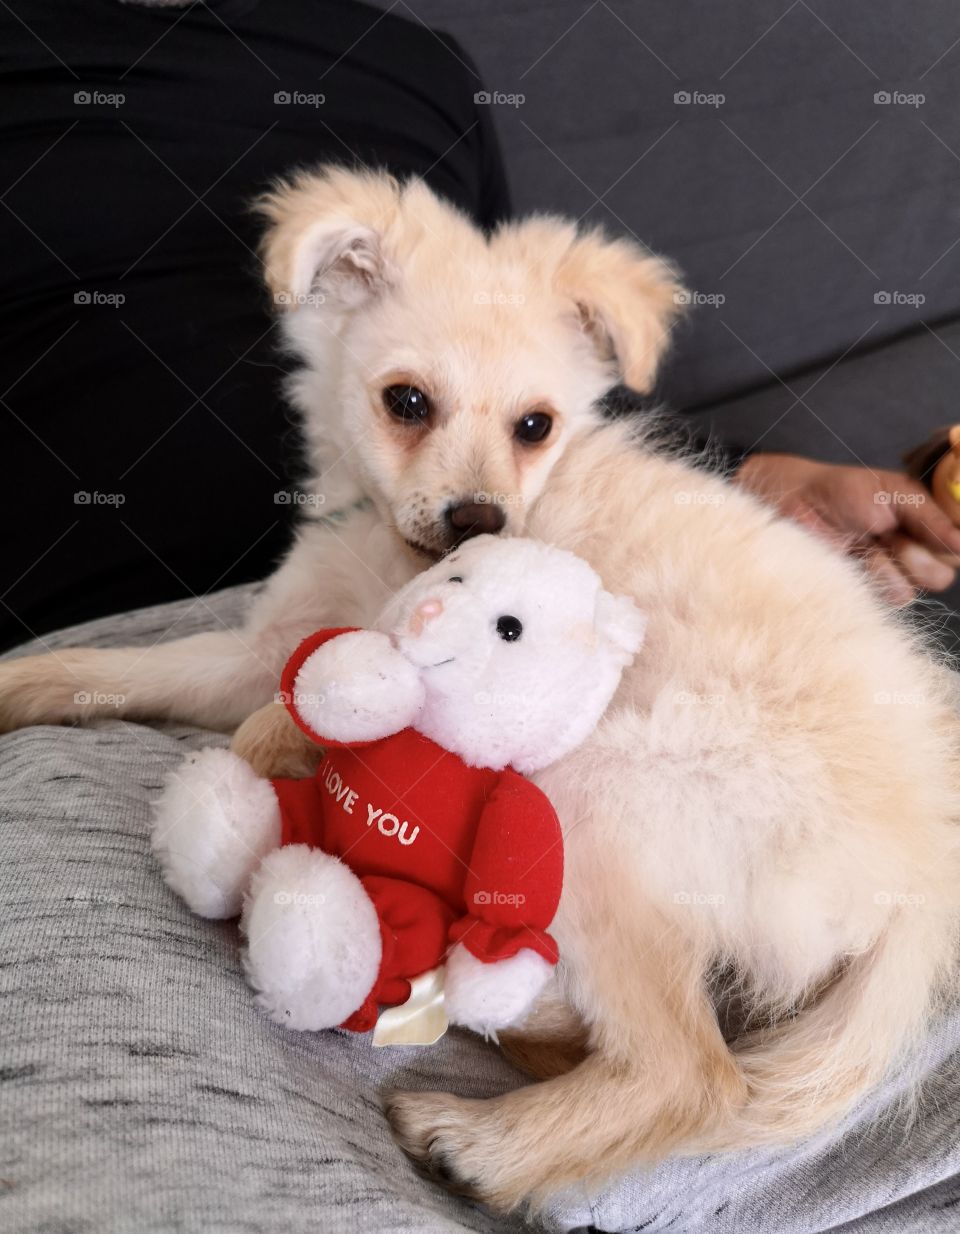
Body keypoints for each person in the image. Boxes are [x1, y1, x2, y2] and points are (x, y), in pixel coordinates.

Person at [2, 0, 956, 652]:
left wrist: (746, 484)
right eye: (404, 403)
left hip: (487, 609)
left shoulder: (410, 61)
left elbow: (509, 363)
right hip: (116, 640)